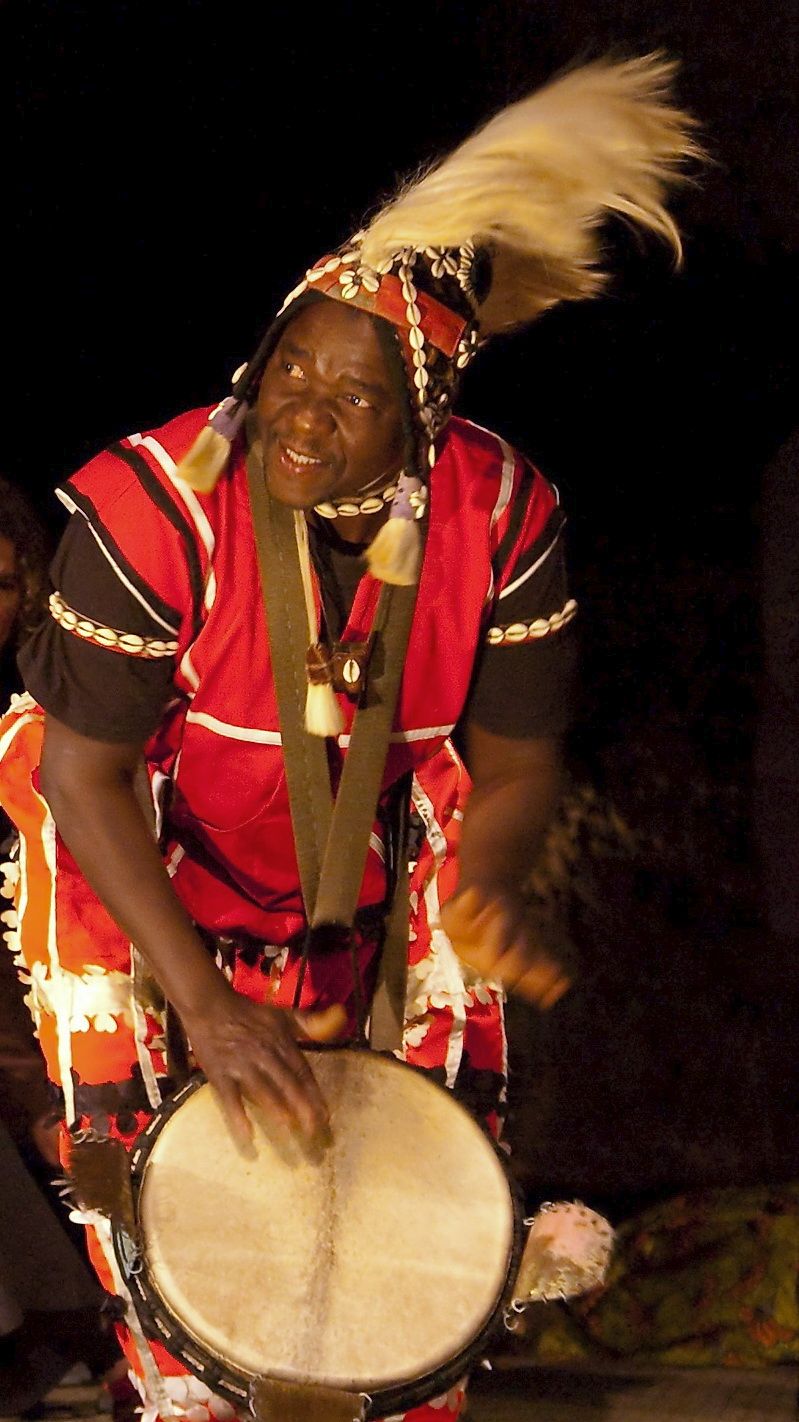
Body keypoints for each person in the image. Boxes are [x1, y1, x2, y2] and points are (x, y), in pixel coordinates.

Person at [0, 55, 697, 1422]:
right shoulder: (158, 507)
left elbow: (515, 765)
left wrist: (488, 880)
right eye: (291, 366)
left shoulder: (502, 513)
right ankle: (172, 1378)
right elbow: (84, 773)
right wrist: (203, 1003)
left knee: (409, 1206)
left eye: (355, 392)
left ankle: (421, 1343)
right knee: (160, 1220)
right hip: (132, 838)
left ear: (424, 420)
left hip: (357, 855)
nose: (303, 410)